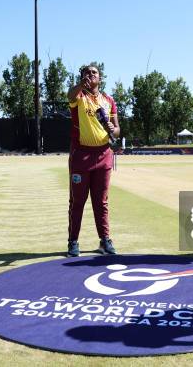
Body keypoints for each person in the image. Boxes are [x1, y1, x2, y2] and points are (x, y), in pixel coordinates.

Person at [66, 65, 120, 257]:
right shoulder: (78, 96)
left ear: (101, 77)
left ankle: (105, 240)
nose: (90, 75)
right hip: (81, 156)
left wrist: (112, 129)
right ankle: (73, 241)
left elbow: (117, 130)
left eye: (94, 72)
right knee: (77, 201)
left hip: (104, 155)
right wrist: (80, 85)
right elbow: (70, 95)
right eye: (86, 73)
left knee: (101, 201)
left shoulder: (109, 100)